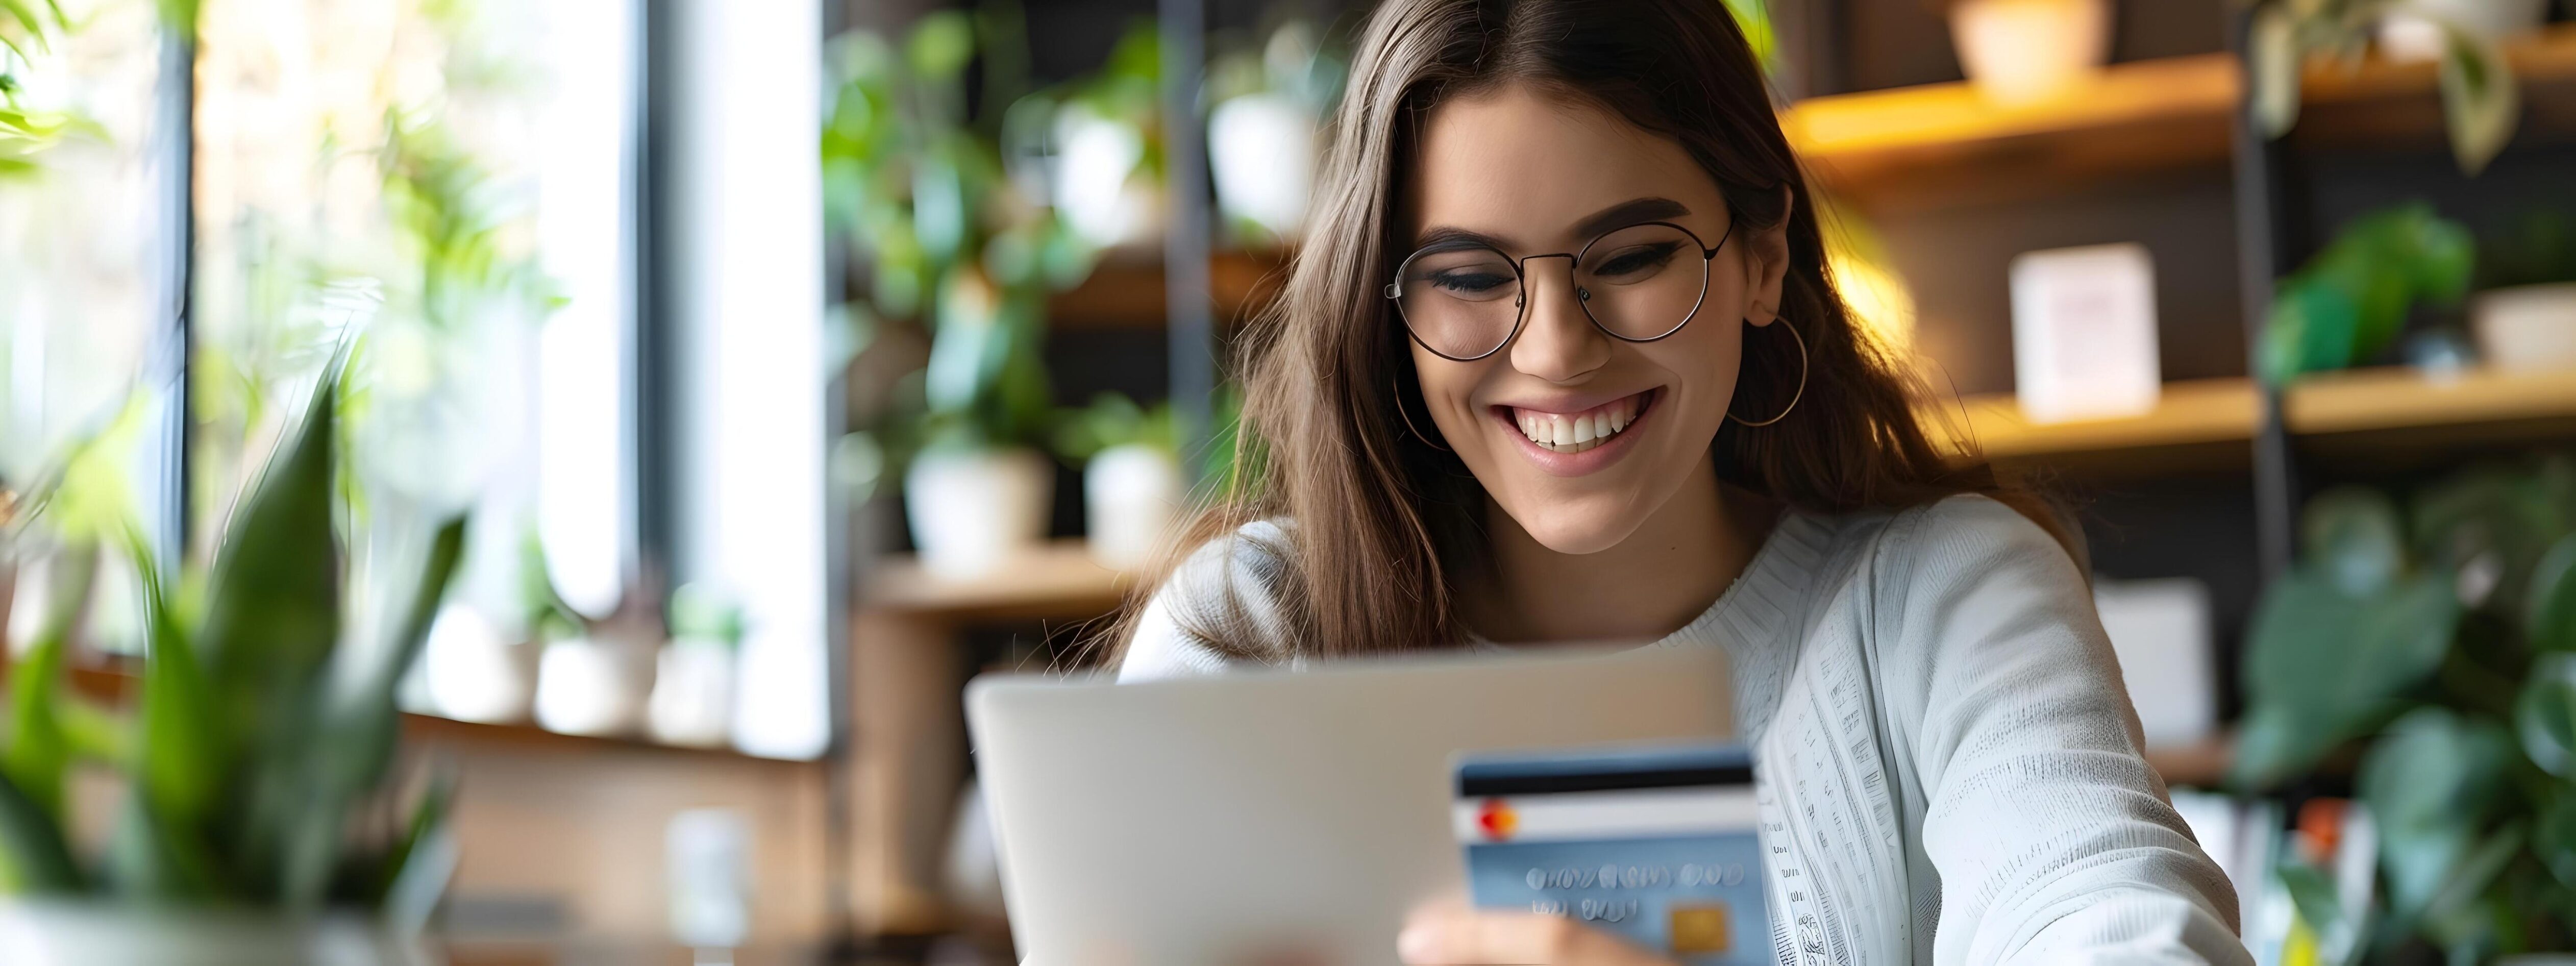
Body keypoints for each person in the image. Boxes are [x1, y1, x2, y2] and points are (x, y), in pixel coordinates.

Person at [1110, 0, 2249, 962]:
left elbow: (2121, 927)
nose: (1554, 348)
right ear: (1386, 306)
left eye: (1632, 255)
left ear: (1760, 256)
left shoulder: (1947, 598)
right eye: (1465, 274)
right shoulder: (1252, 635)